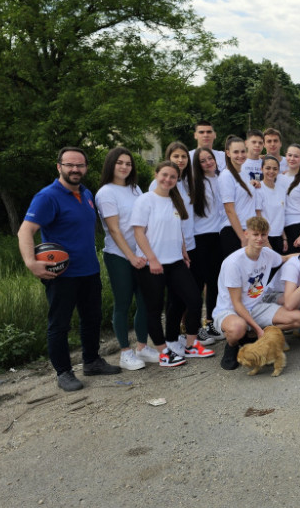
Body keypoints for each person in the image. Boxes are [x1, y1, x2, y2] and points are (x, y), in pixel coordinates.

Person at [19, 147, 118, 391]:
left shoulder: (86, 194)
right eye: (70, 165)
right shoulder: (47, 196)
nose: (75, 169)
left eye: (80, 165)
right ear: (59, 167)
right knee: (60, 324)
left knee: (92, 318)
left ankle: (92, 361)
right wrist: (31, 263)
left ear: (85, 168)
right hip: (61, 274)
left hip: (88, 270)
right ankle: (63, 372)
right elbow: (25, 230)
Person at [132, 161, 215, 367]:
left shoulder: (175, 201)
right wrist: (151, 258)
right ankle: (163, 352)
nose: (168, 179)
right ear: (156, 174)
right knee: (155, 308)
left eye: (172, 177)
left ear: (177, 180)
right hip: (153, 264)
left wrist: (184, 252)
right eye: (164, 175)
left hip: (176, 261)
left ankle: (191, 345)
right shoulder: (146, 200)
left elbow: (177, 230)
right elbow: (138, 232)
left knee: (194, 300)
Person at [214, 216, 300, 370]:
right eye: (255, 234)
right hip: (231, 310)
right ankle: (232, 345)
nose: (259, 238)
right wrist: (258, 329)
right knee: (238, 327)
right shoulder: (233, 263)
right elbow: (236, 303)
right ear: (246, 234)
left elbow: (284, 258)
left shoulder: (267, 254)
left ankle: (249, 336)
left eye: (263, 235)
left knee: (298, 318)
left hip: (257, 306)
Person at [95, 147, 157, 370]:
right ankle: (125, 352)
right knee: (123, 303)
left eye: (128, 164)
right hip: (119, 256)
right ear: (111, 165)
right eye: (119, 163)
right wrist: (130, 257)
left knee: (144, 301)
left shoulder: (135, 188)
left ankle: (142, 347)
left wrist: (145, 253)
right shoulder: (105, 193)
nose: (124, 167)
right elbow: (114, 230)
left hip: (140, 254)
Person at [190, 147, 226, 346]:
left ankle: (211, 323)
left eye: (209, 158)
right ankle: (193, 330)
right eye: (202, 160)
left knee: (214, 282)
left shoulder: (222, 177)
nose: (207, 162)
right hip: (200, 236)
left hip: (218, 235)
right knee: (199, 283)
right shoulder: (194, 182)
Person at [219, 135, 260, 256]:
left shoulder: (245, 174)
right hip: (234, 232)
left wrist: (254, 184)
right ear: (228, 153)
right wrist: (242, 238)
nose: (240, 155)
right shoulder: (226, 176)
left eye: (243, 151)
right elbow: (229, 210)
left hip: (248, 229)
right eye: (236, 152)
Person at [255, 154, 287, 252]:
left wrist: (284, 238)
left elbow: (280, 216)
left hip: (279, 238)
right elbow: (258, 217)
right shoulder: (259, 190)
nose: (271, 171)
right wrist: (266, 241)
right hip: (266, 239)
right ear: (261, 169)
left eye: (275, 169)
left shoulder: (281, 190)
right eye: (268, 168)